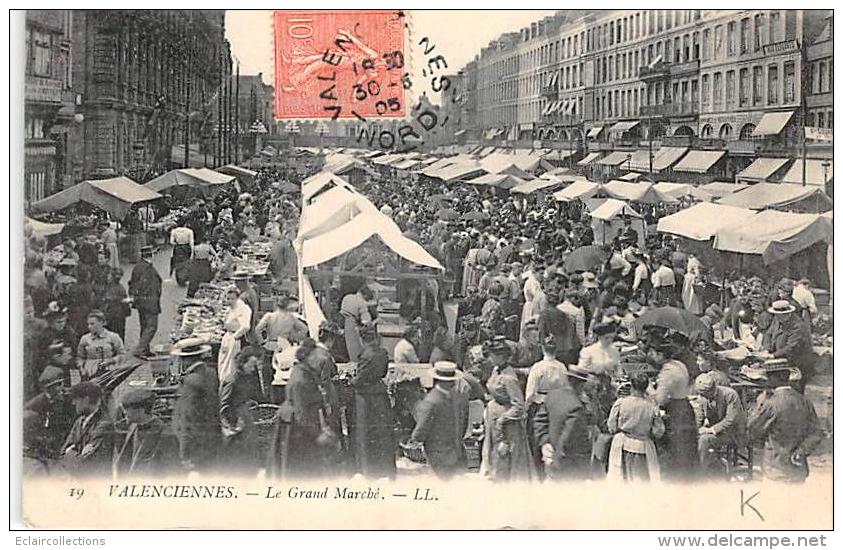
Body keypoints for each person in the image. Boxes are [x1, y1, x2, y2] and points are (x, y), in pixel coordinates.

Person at [268, 339, 341, 479]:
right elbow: (302, 413)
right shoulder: (301, 379)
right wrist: (318, 434)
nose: (320, 360)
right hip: (296, 427)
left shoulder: (306, 371)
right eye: (317, 356)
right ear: (310, 357)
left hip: (302, 424)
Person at [747, 359, 824, 483]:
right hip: (798, 469)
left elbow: (753, 431)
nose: (766, 380)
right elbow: (817, 433)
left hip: (775, 469)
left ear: (776, 377)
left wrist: (759, 405)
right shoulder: (805, 402)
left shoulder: (771, 403)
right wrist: (802, 450)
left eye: (768, 376)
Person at [480, 339, 534, 482]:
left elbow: (519, 406)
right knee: (493, 455)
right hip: (494, 420)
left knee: (505, 458)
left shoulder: (509, 378)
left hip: (507, 426)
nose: (489, 358)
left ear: (500, 356)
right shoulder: (496, 370)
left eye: (492, 355)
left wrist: (503, 419)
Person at [647, 338, 698, 481]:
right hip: (685, 407)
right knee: (686, 452)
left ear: (660, 354)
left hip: (676, 413)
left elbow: (659, 400)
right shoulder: (679, 364)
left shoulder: (667, 371)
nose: (651, 356)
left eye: (652, 353)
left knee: (675, 451)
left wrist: (648, 387)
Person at [407, 362, 469, 479]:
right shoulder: (458, 396)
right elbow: (464, 420)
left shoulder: (431, 400)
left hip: (437, 452)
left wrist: (414, 440)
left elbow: (422, 427)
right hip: (456, 448)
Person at [350, 325, 396, 479]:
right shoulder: (382, 353)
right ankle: (385, 467)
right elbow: (382, 373)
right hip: (380, 394)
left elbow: (360, 380)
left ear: (362, 339)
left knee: (365, 432)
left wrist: (351, 380)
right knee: (382, 432)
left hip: (365, 398)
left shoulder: (365, 356)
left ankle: (368, 469)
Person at [533, 365, 593, 481]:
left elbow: (539, 421)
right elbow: (568, 439)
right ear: (582, 384)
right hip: (569, 465)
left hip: (550, 458)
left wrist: (545, 443)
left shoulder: (552, 395)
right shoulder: (577, 406)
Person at [171, 340, 220, 473]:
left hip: (196, 441)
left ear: (184, 360)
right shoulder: (211, 373)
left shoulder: (190, 381)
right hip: (212, 434)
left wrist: (184, 451)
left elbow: (187, 417)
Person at [606, 372, 665, 482]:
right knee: (640, 481)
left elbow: (611, 426)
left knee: (620, 479)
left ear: (631, 386)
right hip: (642, 446)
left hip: (621, 444)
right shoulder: (652, 406)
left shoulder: (621, 402)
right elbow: (659, 432)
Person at [113, 388, 180, 476]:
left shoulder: (166, 434)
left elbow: (173, 471)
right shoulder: (133, 427)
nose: (124, 412)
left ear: (141, 411)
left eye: (127, 409)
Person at [694, 372, 747, 475]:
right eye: (701, 394)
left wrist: (710, 430)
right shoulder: (703, 397)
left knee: (704, 440)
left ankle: (700, 473)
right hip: (718, 431)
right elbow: (699, 416)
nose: (702, 396)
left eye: (704, 394)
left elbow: (731, 420)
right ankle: (704, 466)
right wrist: (695, 429)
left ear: (712, 389)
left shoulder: (730, 395)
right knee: (693, 436)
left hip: (734, 432)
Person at [218, 347, 260, 475]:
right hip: (236, 419)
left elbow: (242, 396)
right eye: (251, 365)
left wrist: (248, 402)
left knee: (249, 447)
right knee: (237, 451)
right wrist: (231, 425)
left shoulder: (246, 377)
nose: (253, 369)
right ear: (243, 363)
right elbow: (223, 405)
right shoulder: (232, 380)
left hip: (244, 414)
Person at [61, 382, 114, 477]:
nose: (73, 403)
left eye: (75, 399)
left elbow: (86, 464)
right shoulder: (79, 421)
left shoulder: (104, 424)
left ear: (86, 399)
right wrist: (77, 454)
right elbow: (62, 453)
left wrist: (70, 452)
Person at [24, 365, 75, 457]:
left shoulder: (67, 397)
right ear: (49, 388)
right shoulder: (36, 404)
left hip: (65, 435)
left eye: (62, 383)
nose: (62, 387)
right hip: (46, 439)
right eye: (58, 384)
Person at [765, 300, 816, 390]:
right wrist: (767, 348)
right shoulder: (777, 320)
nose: (777, 317)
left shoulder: (798, 326)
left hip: (797, 363)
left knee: (794, 390)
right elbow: (768, 334)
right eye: (775, 314)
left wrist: (773, 355)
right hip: (782, 361)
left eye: (779, 315)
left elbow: (791, 347)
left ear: (788, 314)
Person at [128, 246, 162, 358]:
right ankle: (140, 349)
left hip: (140, 301)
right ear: (151, 255)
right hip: (150, 301)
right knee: (152, 326)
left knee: (144, 325)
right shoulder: (148, 269)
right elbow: (152, 286)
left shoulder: (138, 267)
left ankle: (145, 349)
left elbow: (132, 283)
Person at [218, 286, 252, 385]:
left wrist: (235, 337)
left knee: (230, 365)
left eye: (232, 299)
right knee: (223, 362)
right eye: (227, 298)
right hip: (228, 336)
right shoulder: (231, 308)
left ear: (237, 298)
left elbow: (245, 326)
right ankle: (223, 382)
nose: (229, 301)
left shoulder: (242, 308)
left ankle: (228, 384)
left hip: (235, 339)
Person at [76, 310, 124, 380]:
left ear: (102, 323)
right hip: (90, 372)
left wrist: (111, 360)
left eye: (92, 324)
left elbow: (122, 354)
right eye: (88, 324)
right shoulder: (85, 339)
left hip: (109, 371)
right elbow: (80, 357)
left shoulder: (113, 337)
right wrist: (81, 369)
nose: (89, 327)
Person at [340, 285, 374, 362]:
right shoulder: (361, 302)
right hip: (350, 323)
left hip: (341, 322)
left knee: (343, 347)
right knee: (353, 349)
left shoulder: (347, 297)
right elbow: (366, 321)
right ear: (365, 295)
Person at [101, 268, 130, 341]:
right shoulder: (121, 288)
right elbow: (125, 301)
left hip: (111, 314)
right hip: (119, 315)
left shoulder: (108, 288)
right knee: (120, 332)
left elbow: (105, 300)